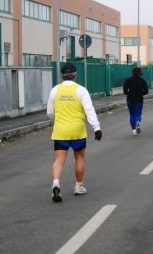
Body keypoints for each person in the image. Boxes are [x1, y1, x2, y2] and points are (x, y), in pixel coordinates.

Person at [47, 62, 102, 202]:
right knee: (79, 158)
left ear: (61, 75)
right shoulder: (81, 90)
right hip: (77, 130)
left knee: (59, 160)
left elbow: (50, 112)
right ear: (75, 75)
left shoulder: (55, 90)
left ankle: (56, 183)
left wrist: (58, 119)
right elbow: (89, 110)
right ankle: (78, 187)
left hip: (60, 130)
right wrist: (96, 127)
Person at [123, 66, 148, 136]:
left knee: (131, 114)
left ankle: (134, 130)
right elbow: (146, 91)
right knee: (138, 114)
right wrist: (140, 93)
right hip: (139, 100)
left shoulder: (128, 80)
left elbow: (125, 91)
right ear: (140, 72)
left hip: (130, 100)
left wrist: (129, 93)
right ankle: (138, 122)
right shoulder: (142, 81)